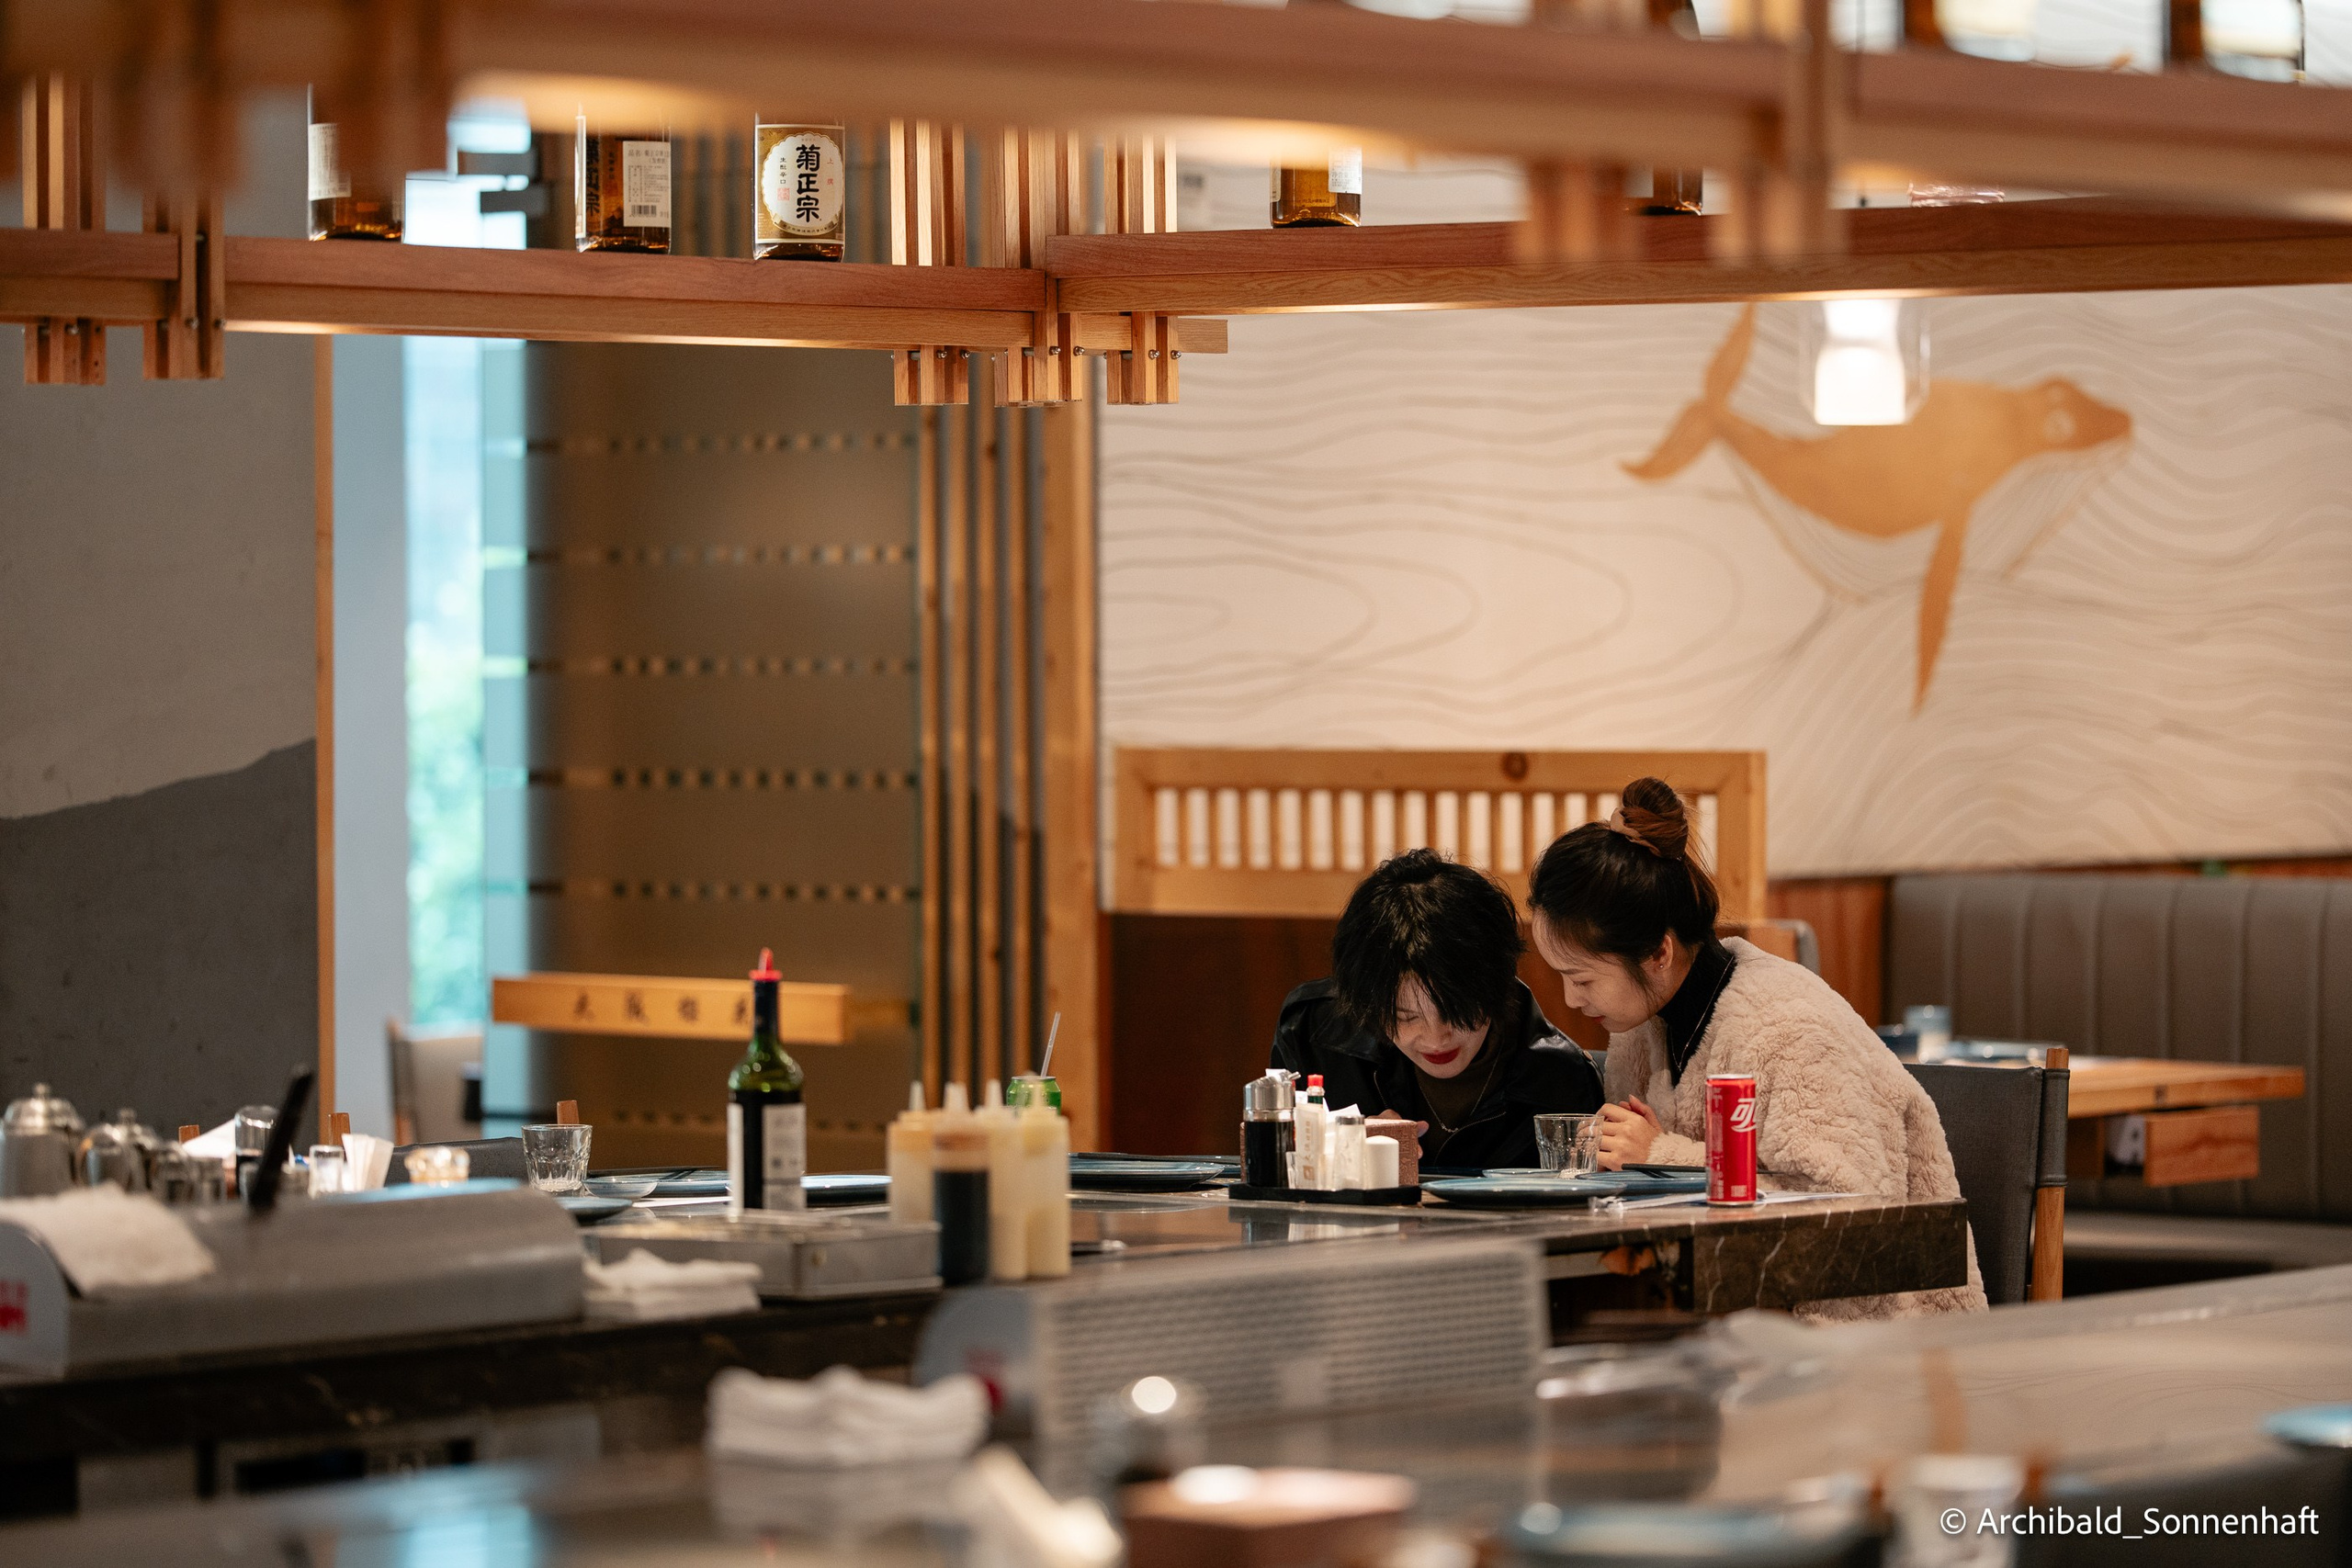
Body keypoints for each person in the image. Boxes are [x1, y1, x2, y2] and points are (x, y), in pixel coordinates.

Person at [1525, 777, 1985, 1320]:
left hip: (1873, 1346)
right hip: (1728, 1317)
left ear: (1657, 953)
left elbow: (1849, 1214)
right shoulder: (1640, 1028)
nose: (1570, 1000)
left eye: (1581, 978)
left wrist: (1660, 1156)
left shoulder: (1790, 1028)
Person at [1270, 848, 1604, 1171]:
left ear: (1498, 983)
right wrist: (1337, 1143)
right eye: (1405, 1016)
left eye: (1454, 1011)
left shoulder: (1559, 1079)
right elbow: (1275, 1169)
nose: (1435, 1038)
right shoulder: (1314, 1031)